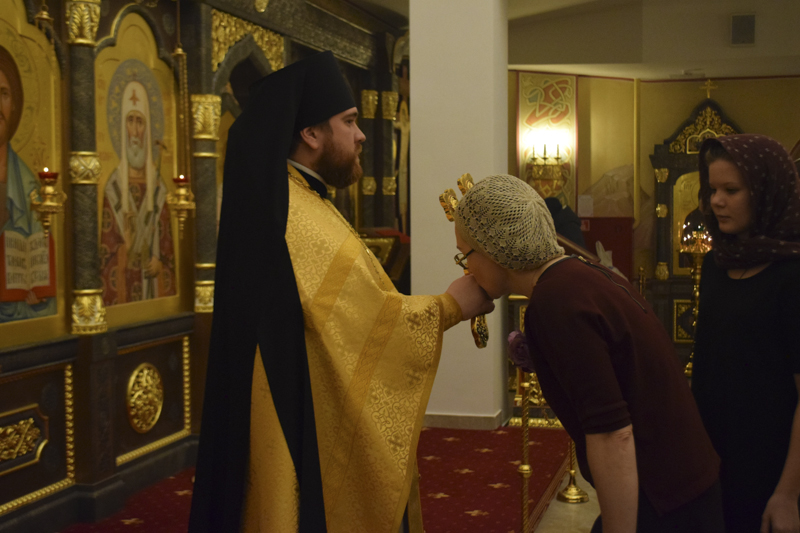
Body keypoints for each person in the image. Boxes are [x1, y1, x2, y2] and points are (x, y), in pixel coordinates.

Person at [188, 51, 493, 533]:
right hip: (295, 416)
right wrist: (452, 306)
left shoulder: (291, 198)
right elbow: (367, 321)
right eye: (349, 122)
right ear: (311, 133)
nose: (361, 134)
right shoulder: (298, 216)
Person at [455, 174, 724, 533]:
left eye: (466, 255)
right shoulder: (579, 273)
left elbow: (613, 434)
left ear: (493, 249)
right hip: (683, 486)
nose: (466, 269)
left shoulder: (554, 301)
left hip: (665, 502)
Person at [692, 134, 800, 533]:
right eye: (712, 190)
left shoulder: (792, 274)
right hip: (715, 464)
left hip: (774, 468)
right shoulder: (716, 264)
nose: (716, 201)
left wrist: (787, 494)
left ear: (766, 192)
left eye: (731, 190)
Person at [100, 80, 175, 305]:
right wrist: (125, 251)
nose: (134, 130)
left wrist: (159, 261)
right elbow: (105, 254)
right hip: (125, 287)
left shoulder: (159, 189)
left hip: (153, 291)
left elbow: (167, 247)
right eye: (130, 120)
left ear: (147, 129)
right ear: (122, 127)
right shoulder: (113, 188)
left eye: (140, 122)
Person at [0, 44, 55, 322]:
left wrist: (40, 293)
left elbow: (41, 257)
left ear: (15, 103)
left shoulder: (28, 186)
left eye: (3, 94)